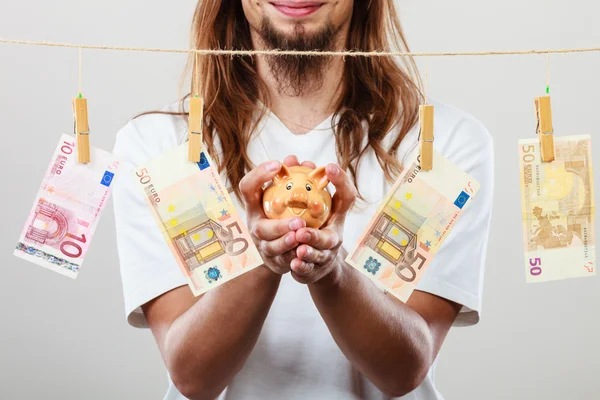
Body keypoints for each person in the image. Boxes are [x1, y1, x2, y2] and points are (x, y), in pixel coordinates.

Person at [112, 1, 494, 399]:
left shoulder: (441, 148)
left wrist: (331, 273)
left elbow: (404, 368)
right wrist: (264, 258)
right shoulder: (160, 149)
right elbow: (193, 376)